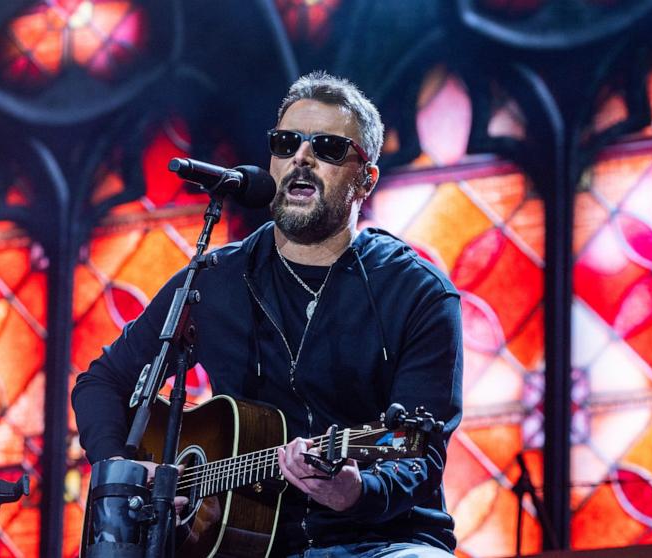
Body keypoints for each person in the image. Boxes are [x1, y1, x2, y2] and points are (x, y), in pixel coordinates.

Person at [72, 71, 463, 558]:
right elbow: (100, 382)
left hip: (381, 541)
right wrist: (128, 474)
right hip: (239, 545)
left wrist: (355, 491)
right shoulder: (213, 280)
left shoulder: (418, 294)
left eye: (328, 148)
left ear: (366, 179)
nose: (301, 158)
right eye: (286, 143)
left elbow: (417, 453)